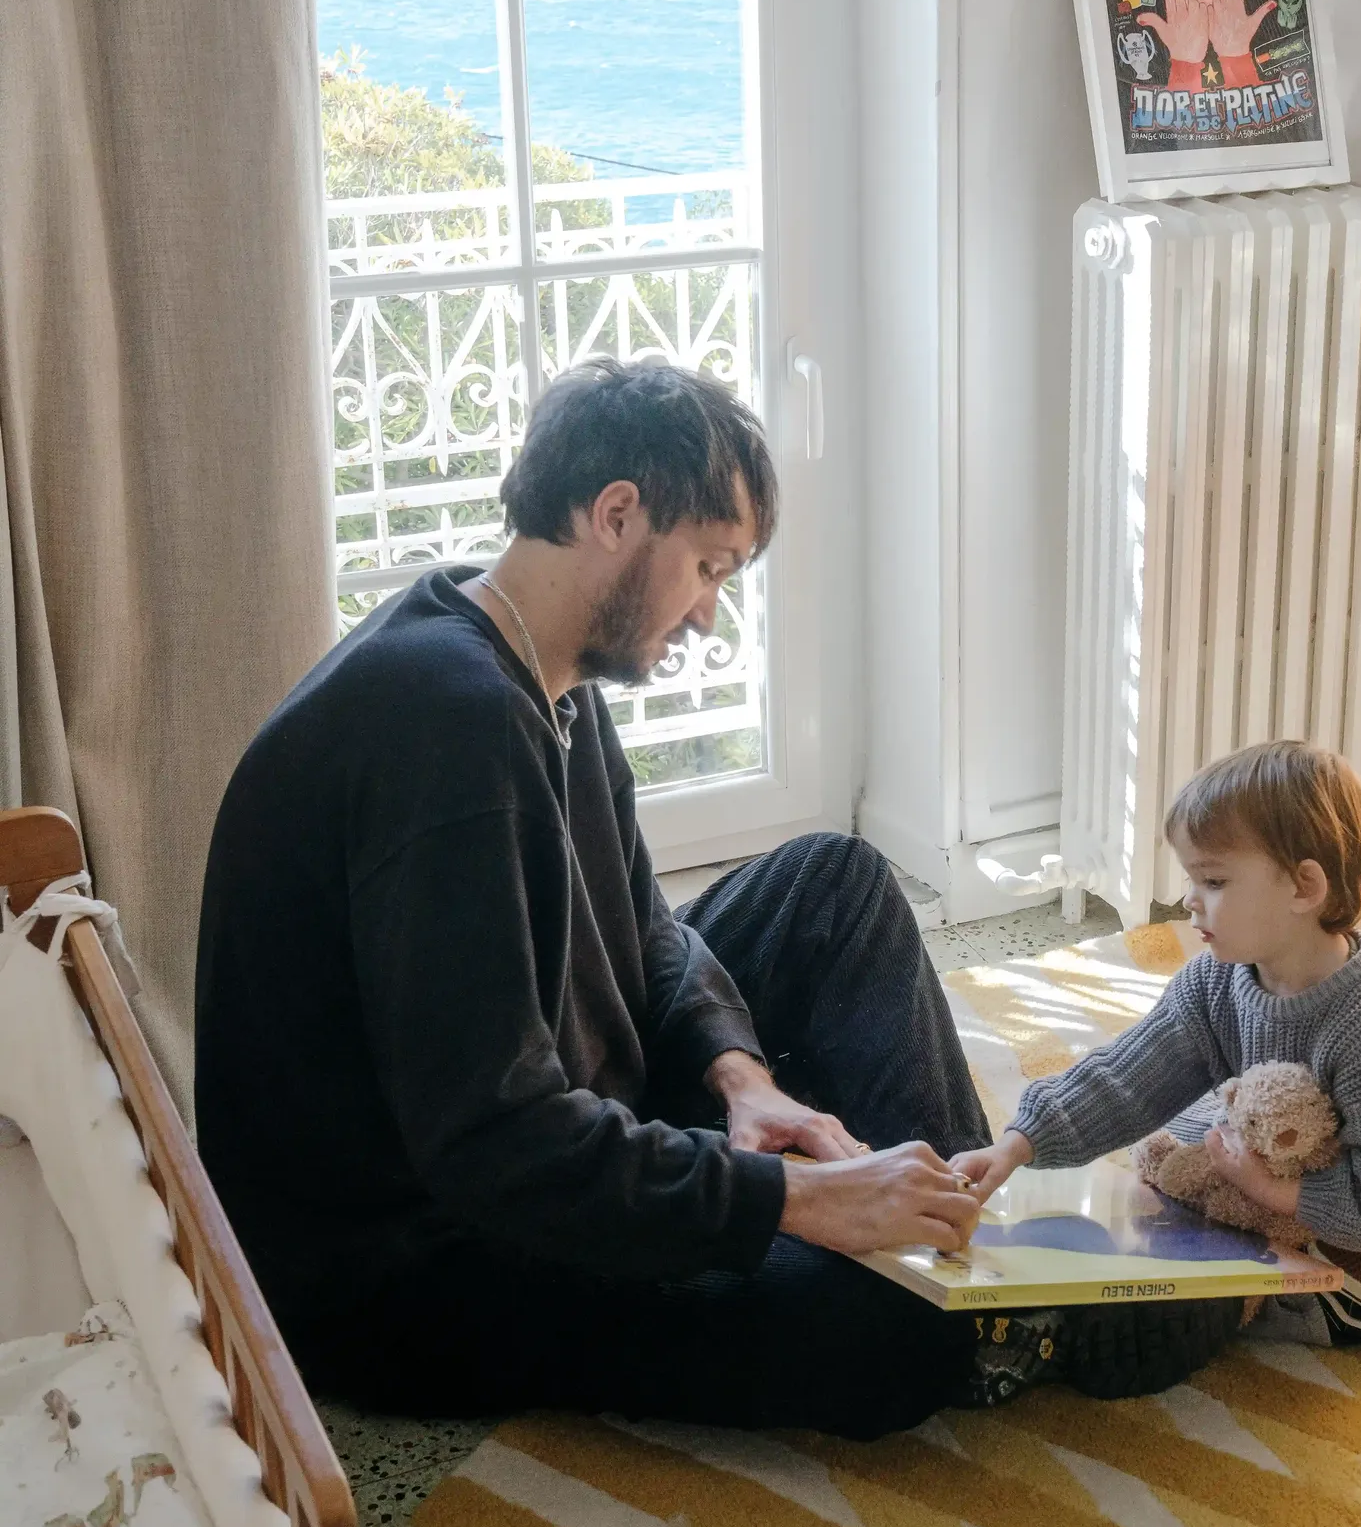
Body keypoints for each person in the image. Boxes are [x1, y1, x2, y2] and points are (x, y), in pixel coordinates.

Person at [195, 357, 1228, 1438]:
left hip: (550, 1108)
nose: (705, 616)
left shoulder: (526, 656)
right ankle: (965, 1310)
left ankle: (959, 1248)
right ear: (614, 514)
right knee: (885, 1339)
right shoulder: (445, 730)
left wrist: (739, 1074)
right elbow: (496, 1146)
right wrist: (798, 1202)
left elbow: (640, 924)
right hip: (414, 1257)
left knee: (836, 880)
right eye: (707, 565)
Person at [954, 741, 1361, 1358]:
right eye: (1193, 878)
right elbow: (1130, 1076)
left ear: (1305, 887)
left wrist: (1274, 1193)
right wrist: (1018, 1144)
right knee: (1159, 1172)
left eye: (1214, 880)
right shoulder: (1219, 979)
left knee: (1167, 1311)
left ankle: (1320, 1294)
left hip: (1336, 1206)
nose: (1189, 900)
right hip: (1247, 1163)